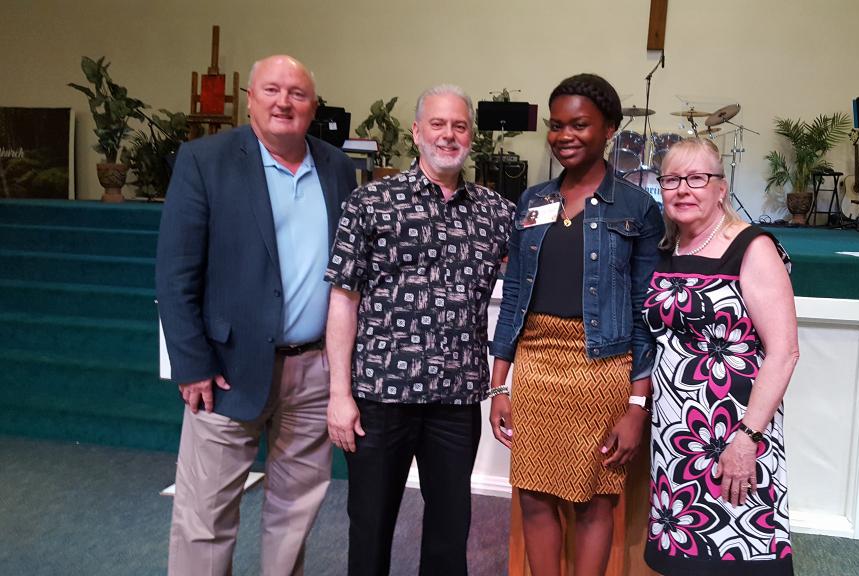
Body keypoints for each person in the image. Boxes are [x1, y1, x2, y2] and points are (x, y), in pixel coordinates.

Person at [156, 55, 357, 576]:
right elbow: (175, 273)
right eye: (271, 90)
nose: (283, 102)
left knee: (295, 511)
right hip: (226, 368)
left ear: (314, 106)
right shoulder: (206, 160)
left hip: (312, 370)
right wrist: (191, 364)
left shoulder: (337, 167)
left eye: (297, 93)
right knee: (205, 514)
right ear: (249, 99)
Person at [324, 84, 514, 576]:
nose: (449, 135)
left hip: (455, 399)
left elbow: (530, 282)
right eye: (438, 124)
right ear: (416, 132)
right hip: (381, 394)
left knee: (451, 530)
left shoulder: (496, 212)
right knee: (370, 526)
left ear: (471, 136)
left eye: (459, 126)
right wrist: (338, 394)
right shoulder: (370, 202)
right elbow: (343, 300)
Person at [488, 73, 664, 576]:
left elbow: (644, 312)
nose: (564, 136)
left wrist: (637, 406)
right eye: (557, 125)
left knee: (593, 501)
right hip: (537, 363)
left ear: (609, 128)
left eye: (579, 125)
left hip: (601, 366)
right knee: (534, 496)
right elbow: (515, 294)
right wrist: (498, 387)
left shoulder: (636, 207)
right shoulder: (533, 201)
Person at [641, 138, 799, 576]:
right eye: (672, 180)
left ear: (721, 188)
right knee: (683, 555)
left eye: (697, 178)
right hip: (676, 436)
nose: (683, 190)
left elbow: (784, 352)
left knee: (736, 551)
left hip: (734, 431)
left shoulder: (752, 246)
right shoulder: (669, 248)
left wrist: (747, 438)